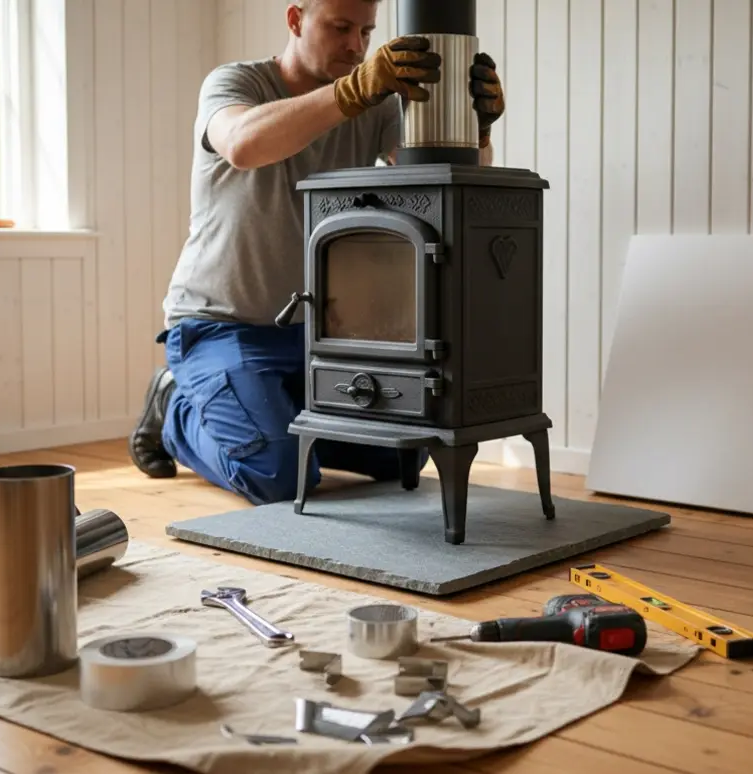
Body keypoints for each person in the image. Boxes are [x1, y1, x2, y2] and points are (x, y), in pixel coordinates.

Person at [128, 0, 506, 506]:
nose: (356, 45)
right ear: (295, 19)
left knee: (406, 455)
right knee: (276, 477)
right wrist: (352, 92)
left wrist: (475, 129)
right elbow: (243, 144)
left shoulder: (375, 107)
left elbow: (433, 186)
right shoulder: (234, 83)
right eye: (340, 27)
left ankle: (276, 425)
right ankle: (174, 406)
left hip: (316, 336)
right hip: (221, 326)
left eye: (367, 31)